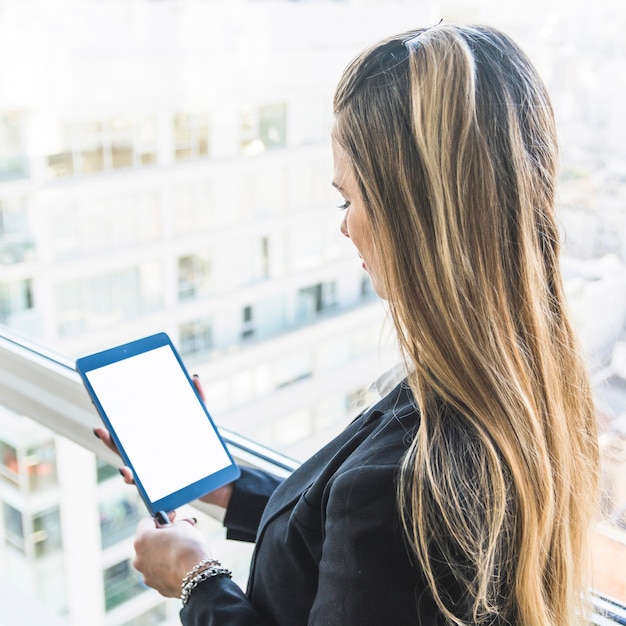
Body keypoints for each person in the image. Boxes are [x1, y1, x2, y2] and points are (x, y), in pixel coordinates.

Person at [96, 22, 599, 625]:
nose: (344, 225)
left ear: (411, 214)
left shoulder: (401, 481)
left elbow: (376, 531)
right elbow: (365, 557)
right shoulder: (524, 384)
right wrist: (230, 490)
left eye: (347, 199)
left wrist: (197, 582)